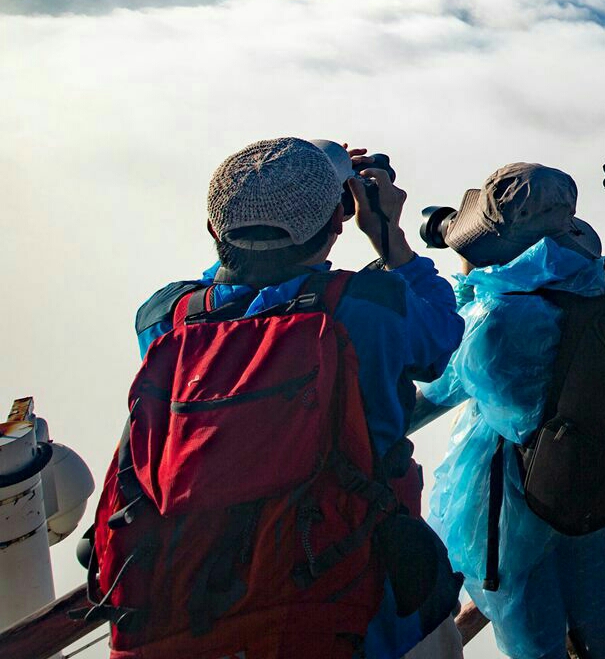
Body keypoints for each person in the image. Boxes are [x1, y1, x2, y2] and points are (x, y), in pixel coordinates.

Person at [135, 138, 465, 659]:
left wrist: (280, 191)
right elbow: (443, 334)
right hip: (357, 591)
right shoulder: (372, 306)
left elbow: (234, 296)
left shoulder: (162, 318)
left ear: (213, 230)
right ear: (339, 222)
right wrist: (387, 235)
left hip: (208, 602)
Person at [415, 162, 605, 659]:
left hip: (512, 497)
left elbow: (436, 389)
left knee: (531, 627)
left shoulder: (495, 321)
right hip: (588, 471)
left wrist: (470, 286)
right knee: (595, 599)